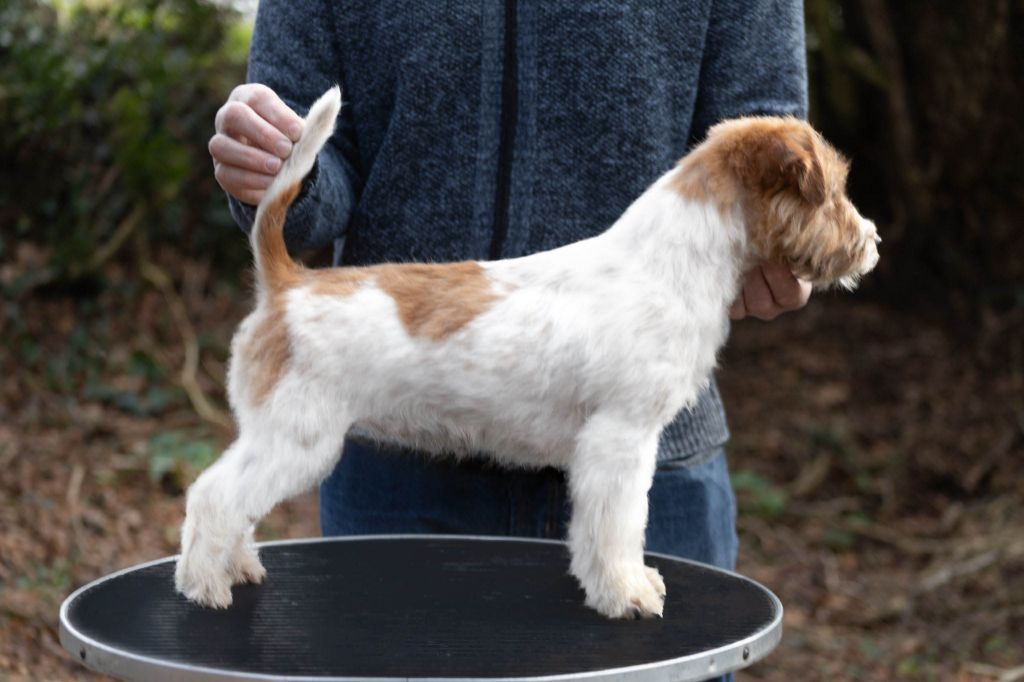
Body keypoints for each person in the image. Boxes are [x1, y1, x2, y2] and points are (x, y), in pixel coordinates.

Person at [213, 1, 808, 676]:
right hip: (404, 463)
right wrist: (277, 171)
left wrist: (784, 241)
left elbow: (767, 135)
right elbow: (312, 167)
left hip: (652, 468)